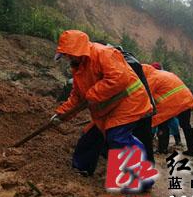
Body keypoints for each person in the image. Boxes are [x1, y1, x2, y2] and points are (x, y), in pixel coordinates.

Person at [52, 30, 153, 178]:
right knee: (90, 136)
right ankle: (81, 169)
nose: (67, 58)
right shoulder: (78, 66)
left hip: (128, 102)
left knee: (117, 138)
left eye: (67, 54)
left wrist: (93, 94)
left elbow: (119, 78)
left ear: (77, 50)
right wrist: (61, 114)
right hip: (108, 107)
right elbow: (78, 96)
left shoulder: (103, 53)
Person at [142, 63, 193, 156]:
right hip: (186, 99)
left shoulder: (151, 78)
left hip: (172, 104)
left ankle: (162, 149)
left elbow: (145, 96)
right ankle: (192, 150)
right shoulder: (166, 74)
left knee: (162, 124)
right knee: (186, 125)